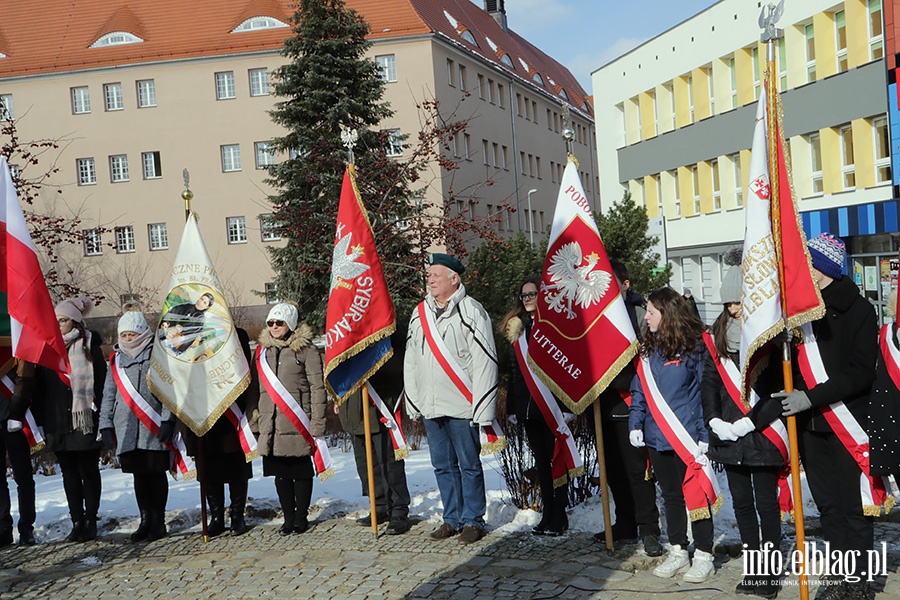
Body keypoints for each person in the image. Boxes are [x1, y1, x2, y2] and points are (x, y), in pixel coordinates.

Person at [771, 233, 878, 600]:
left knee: (853, 508)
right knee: (829, 507)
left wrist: (810, 397)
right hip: (812, 427)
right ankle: (836, 578)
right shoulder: (799, 310)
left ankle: (858, 581)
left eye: (808, 262)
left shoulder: (860, 311)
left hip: (847, 421)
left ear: (822, 269)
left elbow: (861, 371)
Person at [702, 258, 783, 599]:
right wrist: (715, 420)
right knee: (743, 507)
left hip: (761, 433)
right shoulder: (715, 338)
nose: (734, 309)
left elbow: (779, 387)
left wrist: (752, 420)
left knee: (766, 506)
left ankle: (771, 573)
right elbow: (708, 384)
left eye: (739, 301)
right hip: (729, 437)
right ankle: (754, 569)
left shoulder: (769, 335)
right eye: (729, 303)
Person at [405, 253, 498, 545]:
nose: (430, 279)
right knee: (442, 465)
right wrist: (412, 398)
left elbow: (485, 361)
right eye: (429, 275)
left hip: (462, 405)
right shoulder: (419, 313)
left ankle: (473, 519)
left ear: (454, 279)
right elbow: (411, 359)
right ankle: (452, 518)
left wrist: (483, 407)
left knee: (469, 464)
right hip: (431, 406)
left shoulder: (472, 311)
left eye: (436, 275)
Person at [629, 287, 717, 583]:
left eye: (652, 312)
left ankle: (704, 553)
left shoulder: (694, 347)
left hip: (687, 436)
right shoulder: (647, 349)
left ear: (667, 313)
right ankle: (678, 548)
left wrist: (705, 433)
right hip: (657, 437)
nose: (648, 317)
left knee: (696, 495)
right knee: (670, 496)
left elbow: (706, 392)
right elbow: (640, 390)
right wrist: (635, 424)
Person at [593, 260, 662, 556]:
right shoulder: (595, 318)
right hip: (602, 406)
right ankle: (624, 524)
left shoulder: (638, 315)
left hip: (632, 406)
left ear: (624, 284)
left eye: (612, 283)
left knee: (638, 473)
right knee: (614, 473)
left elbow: (646, 365)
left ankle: (649, 530)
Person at [500, 276, 571, 536]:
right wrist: (512, 409)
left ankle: (559, 515)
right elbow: (514, 373)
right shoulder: (517, 330)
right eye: (524, 295)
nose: (528, 299)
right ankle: (547, 513)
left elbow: (563, 369)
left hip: (551, 406)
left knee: (558, 463)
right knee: (542, 464)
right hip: (528, 408)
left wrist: (566, 405)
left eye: (533, 294)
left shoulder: (554, 327)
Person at [33, 297, 106, 542]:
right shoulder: (48, 348)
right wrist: (42, 420)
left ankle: (91, 519)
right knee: (69, 474)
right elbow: (39, 388)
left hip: (84, 418)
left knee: (88, 470)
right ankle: (76, 520)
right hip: (58, 420)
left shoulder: (89, 344)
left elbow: (103, 382)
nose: (59, 324)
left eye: (63, 320)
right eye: (56, 321)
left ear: (74, 321)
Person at [99, 309, 174, 542]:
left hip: (153, 425)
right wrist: (105, 425)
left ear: (142, 332)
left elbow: (169, 389)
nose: (129, 339)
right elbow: (108, 395)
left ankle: (158, 521)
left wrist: (168, 419)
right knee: (139, 476)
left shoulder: (158, 354)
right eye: (125, 335)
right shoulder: (116, 360)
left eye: (133, 334)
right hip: (126, 428)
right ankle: (145, 521)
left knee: (156, 474)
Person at [181, 327, 259, 537]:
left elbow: (241, 369)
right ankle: (216, 516)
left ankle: (237, 515)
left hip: (230, 412)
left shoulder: (236, 333)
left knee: (236, 469)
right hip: (203, 413)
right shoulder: (191, 336)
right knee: (209, 469)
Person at [256, 303, 326, 535]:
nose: (274, 327)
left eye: (279, 322)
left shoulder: (306, 350)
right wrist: (258, 419)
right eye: (271, 323)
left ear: (291, 324)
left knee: (301, 472)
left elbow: (317, 387)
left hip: (298, 421)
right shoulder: (262, 352)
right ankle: (288, 517)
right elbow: (258, 389)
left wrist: (317, 421)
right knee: (280, 473)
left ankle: (301, 517)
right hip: (272, 424)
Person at [337, 329, 411, 536]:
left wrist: (369, 351)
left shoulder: (387, 331)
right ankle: (378, 506)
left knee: (389, 463)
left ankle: (398, 510)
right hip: (353, 409)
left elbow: (396, 367)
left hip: (379, 407)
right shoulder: (343, 331)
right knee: (366, 463)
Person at [0, 360, 37, 546]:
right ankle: (3, 528)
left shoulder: (14, 341)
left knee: (23, 477)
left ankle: (26, 528)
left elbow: (25, 378)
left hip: (14, 419)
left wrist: (16, 412)